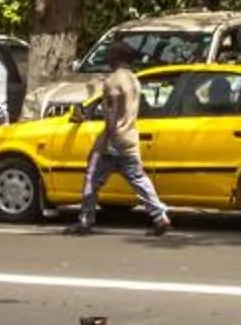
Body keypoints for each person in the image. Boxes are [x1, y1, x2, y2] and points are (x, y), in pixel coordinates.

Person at [67, 60, 173, 238]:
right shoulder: (135, 81)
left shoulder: (112, 82)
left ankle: (85, 220)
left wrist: (103, 142)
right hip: (130, 137)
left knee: (92, 177)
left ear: (114, 57)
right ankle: (159, 215)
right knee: (139, 179)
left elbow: (112, 114)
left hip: (114, 138)